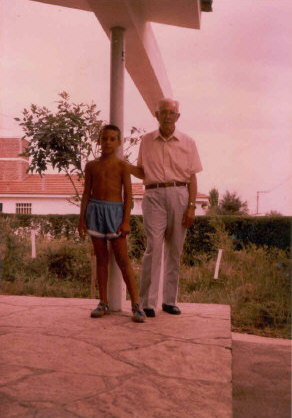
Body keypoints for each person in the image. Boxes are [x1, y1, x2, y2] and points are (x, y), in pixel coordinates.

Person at [129, 98, 202, 317]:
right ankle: (147, 303)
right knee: (154, 248)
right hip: (153, 195)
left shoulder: (188, 142)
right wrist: (126, 167)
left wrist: (191, 207)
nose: (167, 116)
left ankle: (169, 301)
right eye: (163, 112)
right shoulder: (146, 140)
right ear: (156, 114)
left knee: (174, 250)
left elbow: (192, 178)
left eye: (172, 113)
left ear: (177, 116)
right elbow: (143, 172)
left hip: (180, 195)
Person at [78, 124, 145, 323]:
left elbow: (129, 196)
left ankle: (135, 305)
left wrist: (126, 221)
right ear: (99, 140)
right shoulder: (91, 165)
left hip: (115, 214)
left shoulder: (123, 166)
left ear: (118, 142)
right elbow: (85, 194)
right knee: (101, 260)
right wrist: (82, 219)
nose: (107, 142)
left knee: (123, 260)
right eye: (104, 138)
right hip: (95, 212)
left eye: (112, 139)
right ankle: (103, 302)